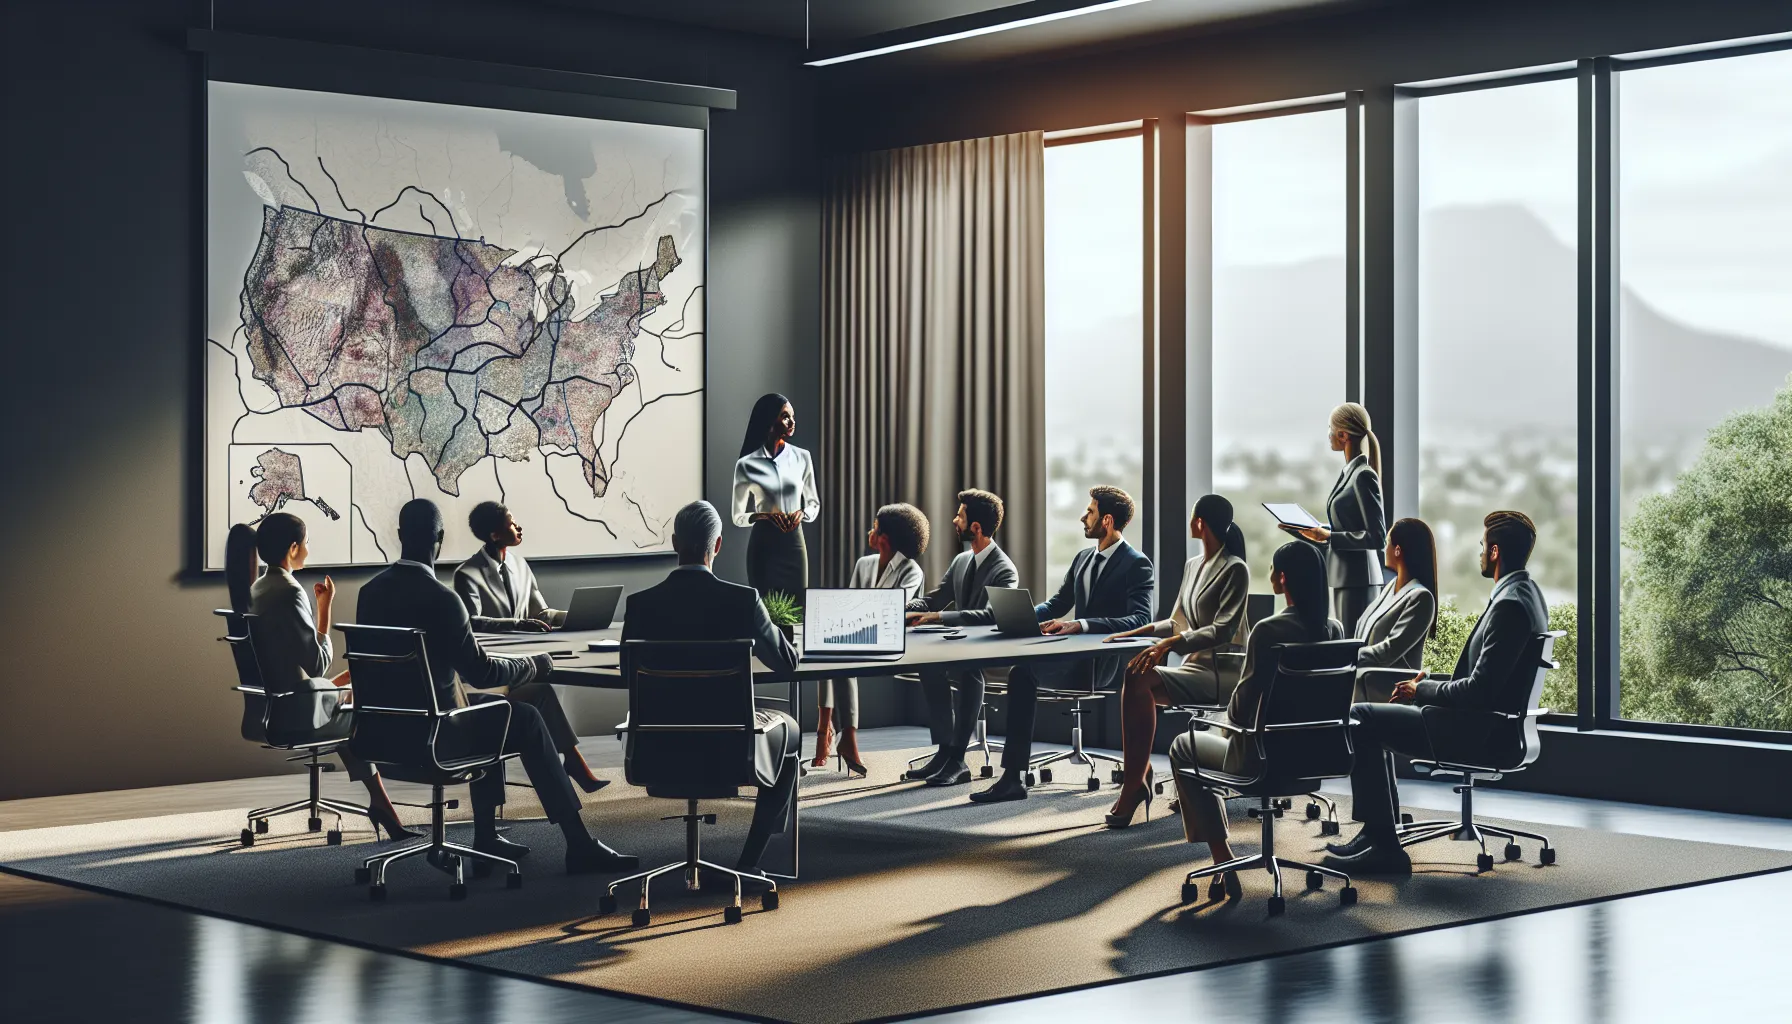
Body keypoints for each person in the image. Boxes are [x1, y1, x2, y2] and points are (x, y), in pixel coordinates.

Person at [356, 499, 636, 876]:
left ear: (400, 536)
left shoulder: (369, 594)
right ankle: (579, 844)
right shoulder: (443, 599)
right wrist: (534, 665)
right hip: (439, 736)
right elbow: (482, 673)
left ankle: (487, 836)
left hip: (384, 736)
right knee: (526, 719)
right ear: (440, 538)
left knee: (504, 708)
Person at [1323, 511, 1548, 875]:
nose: (1479, 553)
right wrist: (1427, 687)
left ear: (1494, 553)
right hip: (1487, 724)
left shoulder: (1509, 605)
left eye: (1481, 547)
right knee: (1368, 716)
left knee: (1362, 717)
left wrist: (1420, 690)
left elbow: (1479, 690)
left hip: (1472, 731)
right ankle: (1376, 832)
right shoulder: (1529, 594)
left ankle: (1383, 844)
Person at [621, 501, 804, 875]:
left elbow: (628, 677)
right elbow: (786, 663)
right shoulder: (742, 600)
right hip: (731, 752)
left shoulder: (640, 606)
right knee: (793, 731)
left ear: (674, 543)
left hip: (656, 754)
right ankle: (749, 863)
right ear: (717, 546)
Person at [225, 516, 414, 841]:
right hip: (297, 709)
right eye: (307, 543)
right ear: (294, 548)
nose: (309, 550)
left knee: (359, 677)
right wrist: (324, 608)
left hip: (274, 704)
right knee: (364, 700)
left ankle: (382, 805)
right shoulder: (288, 592)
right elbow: (316, 665)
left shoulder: (257, 589)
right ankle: (384, 803)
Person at [1166, 542, 1343, 877]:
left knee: (1183, 745)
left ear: (1283, 578)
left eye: (1274, 569)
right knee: (1216, 730)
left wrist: (1221, 721)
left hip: (1258, 758)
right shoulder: (1334, 630)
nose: (1271, 575)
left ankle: (1222, 858)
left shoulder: (1268, 631)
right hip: (1313, 757)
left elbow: (1241, 708)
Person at [970, 486, 1155, 804]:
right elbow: (1058, 603)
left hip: (1100, 663)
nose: (1084, 517)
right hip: (1072, 655)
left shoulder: (1136, 564)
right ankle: (1012, 778)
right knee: (1022, 666)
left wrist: (1081, 624)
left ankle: (1013, 779)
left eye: (1090, 512)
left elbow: (1140, 619)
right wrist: (1024, 617)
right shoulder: (1084, 558)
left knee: (1022, 672)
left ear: (1107, 520)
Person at [1102, 494, 1250, 829]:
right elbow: (1177, 621)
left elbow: (1224, 630)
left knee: (1139, 678)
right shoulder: (1193, 565)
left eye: (1192, 517)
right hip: (1194, 667)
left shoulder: (1235, 568)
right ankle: (1137, 776)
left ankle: (1134, 783)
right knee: (1136, 673)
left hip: (1223, 672)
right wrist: (1136, 632)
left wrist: (1173, 643)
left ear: (1200, 523)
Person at [452, 501, 607, 793]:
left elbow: (541, 613)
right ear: (495, 535)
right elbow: (471, 623)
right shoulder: (467, 574)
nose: (519, 527)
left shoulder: (520, 565)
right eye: (512, 523)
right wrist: (516, 624)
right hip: (490, 674)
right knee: (537, 699)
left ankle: (573, 761)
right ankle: (571, 768)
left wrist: (578, 617)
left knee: (542, 693)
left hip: (524, 662)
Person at [903, 489, 1019, 785]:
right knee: (928, 664)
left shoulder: (1004, 570)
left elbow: (993, 616)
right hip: (957, 645)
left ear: (976, 528)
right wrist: (902, 608)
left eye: (960, 516)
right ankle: (945, 751)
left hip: (988, 648)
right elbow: (936, 599)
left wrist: (938, 618)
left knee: (969, 668)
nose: (955, 520)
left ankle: (958, 759)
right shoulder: (961, 561)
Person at [1344, 517, 1441, 840]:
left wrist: (1345, 658)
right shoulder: (1390, 588)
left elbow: (1389, 650)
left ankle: (1376, 829)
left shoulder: (1420, 598)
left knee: (1357, 726)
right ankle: (1381, 822)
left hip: (1389, 688)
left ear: (1398, 550)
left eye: (1387, 542)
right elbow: (1364, 634)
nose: (1384, 548)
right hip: (1366, 680)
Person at [815, 503, 930, 776]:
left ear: (884, 538)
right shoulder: (864, 565)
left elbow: (892, 608)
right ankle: (840, 733)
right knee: (828, 645)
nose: (870, 531)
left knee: (837, 650)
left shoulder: (911, 571)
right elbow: (854, 606)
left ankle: (832, 732)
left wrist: (858, 613)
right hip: (862, 632)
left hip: (893, 639)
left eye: (875, 527)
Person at [1289, 402, 1387, 635]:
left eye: (1330, 428)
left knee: (1352, 644)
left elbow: (1377, 537)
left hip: (1359, 578)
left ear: (1343, 435)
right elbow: (1347, 527)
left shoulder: (1363, 476)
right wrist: (1312, 529)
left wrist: (1330, 536)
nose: (1329, 435)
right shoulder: (1350, 473)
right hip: (1346, 575)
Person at [732, 393, 819, 601]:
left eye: (793, 416)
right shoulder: (746, 464)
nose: (792, 422)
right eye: (786, 416)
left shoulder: (802, 457)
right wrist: (762, 516)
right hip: (763, 545)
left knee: (797, 610)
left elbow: (814, 503)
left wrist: (802, 513)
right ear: (771, 419)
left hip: (794, 544)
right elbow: (737, 516)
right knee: (766, 611)